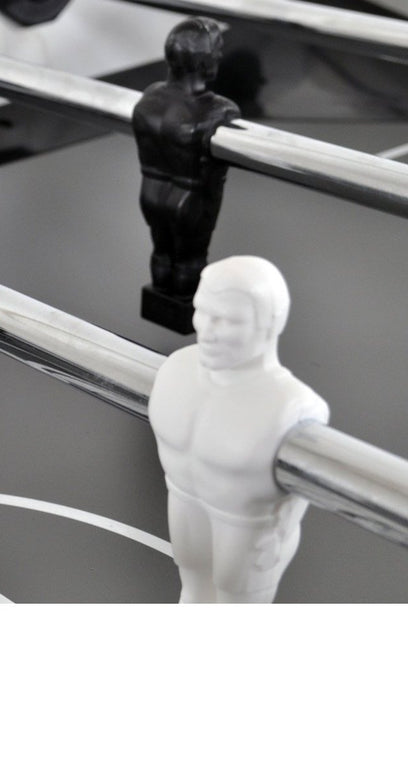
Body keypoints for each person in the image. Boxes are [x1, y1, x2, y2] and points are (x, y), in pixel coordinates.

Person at [148, 256, 328, 603]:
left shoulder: (291, 406)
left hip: (248, 526)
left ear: (270, 323)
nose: (207, 330)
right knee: (193, 595)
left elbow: (298, 495)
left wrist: (281, 531)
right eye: (202, 311)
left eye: (228, 320)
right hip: (183, 500)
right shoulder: (176, 370)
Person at [132, 16, 240, 332]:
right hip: (191, 198)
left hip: (150, 192)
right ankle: (187, 318)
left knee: (162, 252)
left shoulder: (149, 98)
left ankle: (160, 307)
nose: (220, 56)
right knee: (190, 260)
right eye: (217, 50)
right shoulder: (220, 110)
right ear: (203, 59)